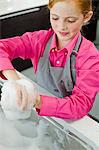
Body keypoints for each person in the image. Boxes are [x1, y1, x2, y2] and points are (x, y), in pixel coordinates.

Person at [0, 0, 99, 120]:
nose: (61, 26)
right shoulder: (39, 40)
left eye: (71, 20)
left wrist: (35, 100)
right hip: (43, 110)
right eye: (55, 18)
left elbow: (80, 105)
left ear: (86, 17)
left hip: (70, 118)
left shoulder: (90, 56)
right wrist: (16, 81)